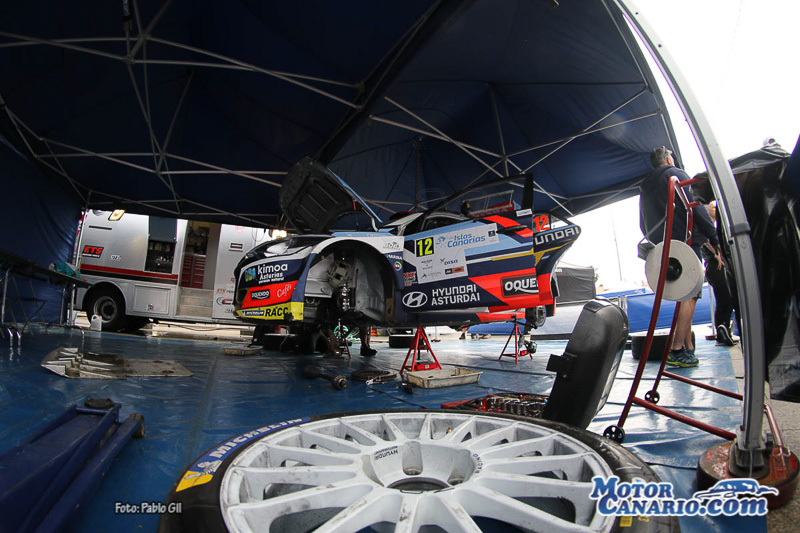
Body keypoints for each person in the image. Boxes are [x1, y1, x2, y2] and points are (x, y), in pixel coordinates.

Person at [639, 146, 722, 368]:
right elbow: (698, 209)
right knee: (691, 295)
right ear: (668, 159)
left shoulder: (645, 185)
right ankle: (676, 349)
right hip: (686, 242)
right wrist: (715, 239)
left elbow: (642, 223)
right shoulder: (675, 174)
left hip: (664, 246)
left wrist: (659, 241)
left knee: (683, 295)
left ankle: (687, 346)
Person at [702, 201, 739, 346]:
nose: (716, 209)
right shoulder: (706, 227)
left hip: (721, 265)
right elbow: (705, 239)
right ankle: (721, 332)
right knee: (724, 298)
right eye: (713, 207)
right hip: (715, 266)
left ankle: (724, 330)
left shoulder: (716, 227)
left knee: (727, 299)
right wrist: (717, 253)